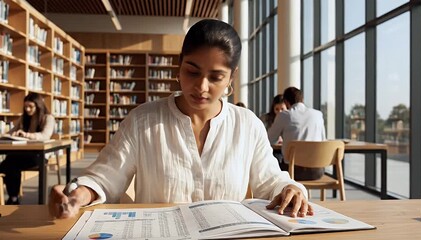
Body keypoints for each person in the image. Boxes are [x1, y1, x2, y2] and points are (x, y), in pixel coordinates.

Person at [49, 19, 313, 219]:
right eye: (192, 71)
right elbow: (106, 178)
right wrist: (78, 195)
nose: (202, 86)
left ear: (231, 77)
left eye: (216, 77)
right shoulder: (143, 121)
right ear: (179, 65)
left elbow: (271, 180)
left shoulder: (247, 125)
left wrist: (291, 189)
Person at [0, 92, 54, 204]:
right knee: (11, 163)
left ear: (38, 105)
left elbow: (45, 135)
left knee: (10, 164)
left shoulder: (48, 118)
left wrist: (27, 135)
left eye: (31, 106)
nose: (28, 109)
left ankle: (13, 197)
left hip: (39, 156)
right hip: (22, 154)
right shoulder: (24, 118)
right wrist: (9, 135)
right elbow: (12, 131)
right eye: (25, 107)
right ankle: (13, 197)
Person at [268, 87, 326, 180]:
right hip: (317, 172)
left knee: (272, 166)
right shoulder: (318, 114)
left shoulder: (284, 115)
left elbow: (269, 140)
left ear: (286, 102)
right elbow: (323, 140)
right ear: (302, 100)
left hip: (292, 170)